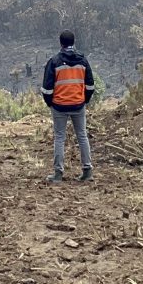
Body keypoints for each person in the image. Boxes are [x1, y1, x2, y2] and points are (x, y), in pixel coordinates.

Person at [41, 30, 95, 183]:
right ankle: (87, 170)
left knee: (59, 137)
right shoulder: (83, 61)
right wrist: (84, 100)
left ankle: (58, 173)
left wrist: (50, 103)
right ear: (73, 42)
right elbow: (90, 86)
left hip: (59, 106)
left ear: (60, 43)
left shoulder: (54, 61)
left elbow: (47, 89)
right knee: (82, 136)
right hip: (78, 105)